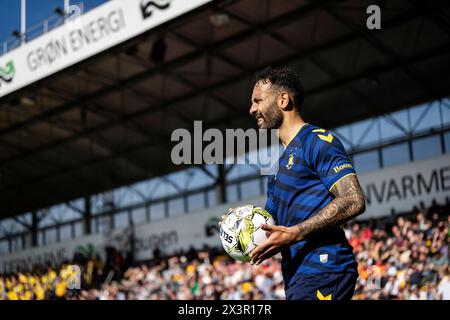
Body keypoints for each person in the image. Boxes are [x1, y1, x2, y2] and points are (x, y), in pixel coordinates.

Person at [246, 67, 366, 300]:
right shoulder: (275, 169)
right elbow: (271, 227)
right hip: (297, 278)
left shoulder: (318, 141)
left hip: (325, 268)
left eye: (258, 101)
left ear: (283, 99)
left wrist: (296, 233)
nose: (252, 109)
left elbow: (353, 200)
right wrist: (239, 225)